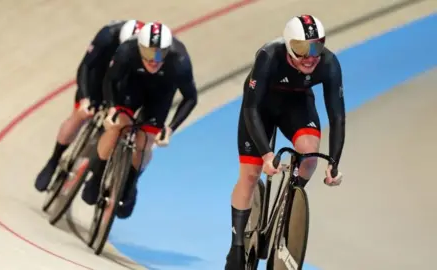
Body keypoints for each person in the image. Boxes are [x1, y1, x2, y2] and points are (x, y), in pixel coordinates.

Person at [225, 14, 345, 269]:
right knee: (250, 174)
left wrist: (334, 161)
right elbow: (251, 109)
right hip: (261, 109)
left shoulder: (329, 63)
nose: (311, 56)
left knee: (309, 157)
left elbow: (337, 116)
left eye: (317, 46)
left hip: (297, 106)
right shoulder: (269, 56)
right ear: (289, 45)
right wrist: (268, 154)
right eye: (302, 49)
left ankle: (286, 211)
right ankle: (236, 245)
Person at [80, 21, 198, 219]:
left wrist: (170, 128)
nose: (154, 60)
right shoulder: (127, 51)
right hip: (131, 88)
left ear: (168, 51)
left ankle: (130, 183)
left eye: (160, 54)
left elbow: (190, 98)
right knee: (117, 126)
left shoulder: (180, 61)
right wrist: (111, 108)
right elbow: (110, 80)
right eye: (149, 53)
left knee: (145, 143)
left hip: (160, 95)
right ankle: (97, 174)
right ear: (139, 48)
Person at [34, 19, 146, 192]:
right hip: (99, 76)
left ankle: (99, 170)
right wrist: (86, 99)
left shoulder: (148, 50)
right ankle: (54, 159)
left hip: (124, 82)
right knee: (80, 115)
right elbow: (85, 67)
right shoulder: (107, 36)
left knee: (120, 125)